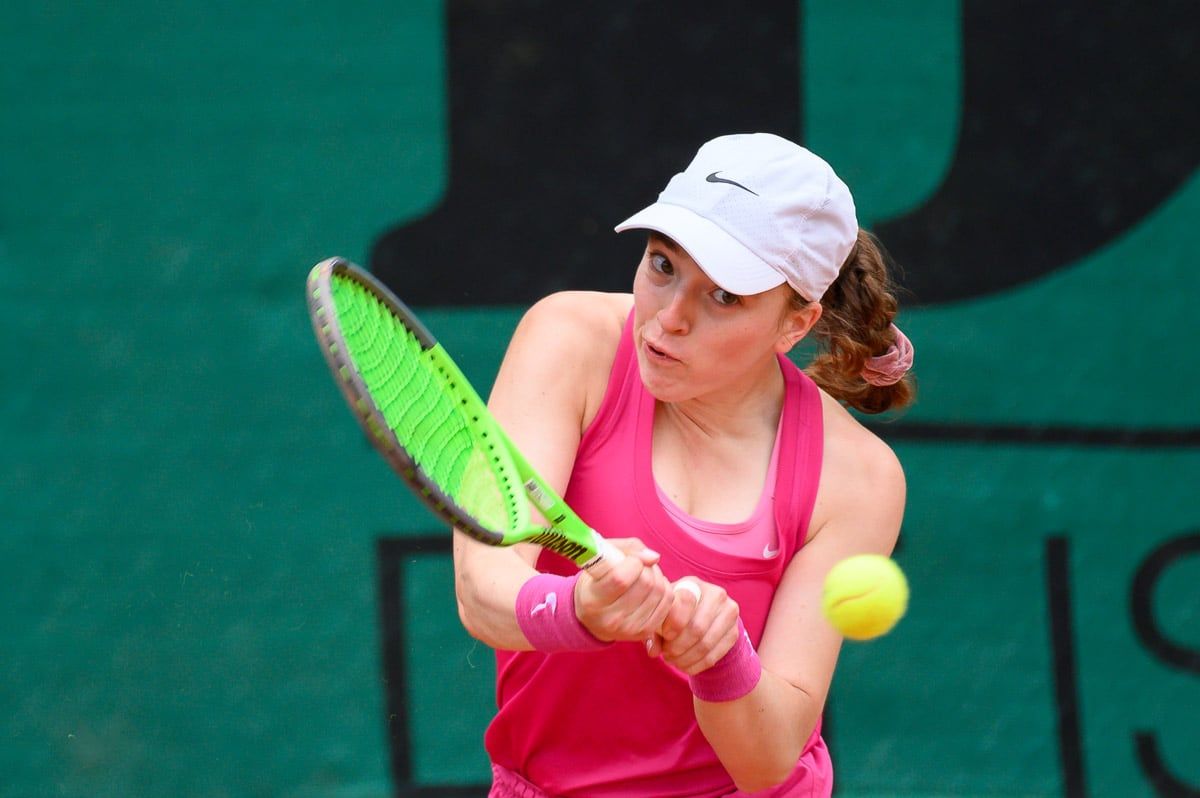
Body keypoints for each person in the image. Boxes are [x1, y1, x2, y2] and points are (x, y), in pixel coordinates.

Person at [452, 132, 915, 797]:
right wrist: (582, 608)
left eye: (723, 296)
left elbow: (768, 761)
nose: (669, 318)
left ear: (795, 325)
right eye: (662, 264)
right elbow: (482, 588)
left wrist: (721, 661)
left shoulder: (860, 478)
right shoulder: (570, 340)